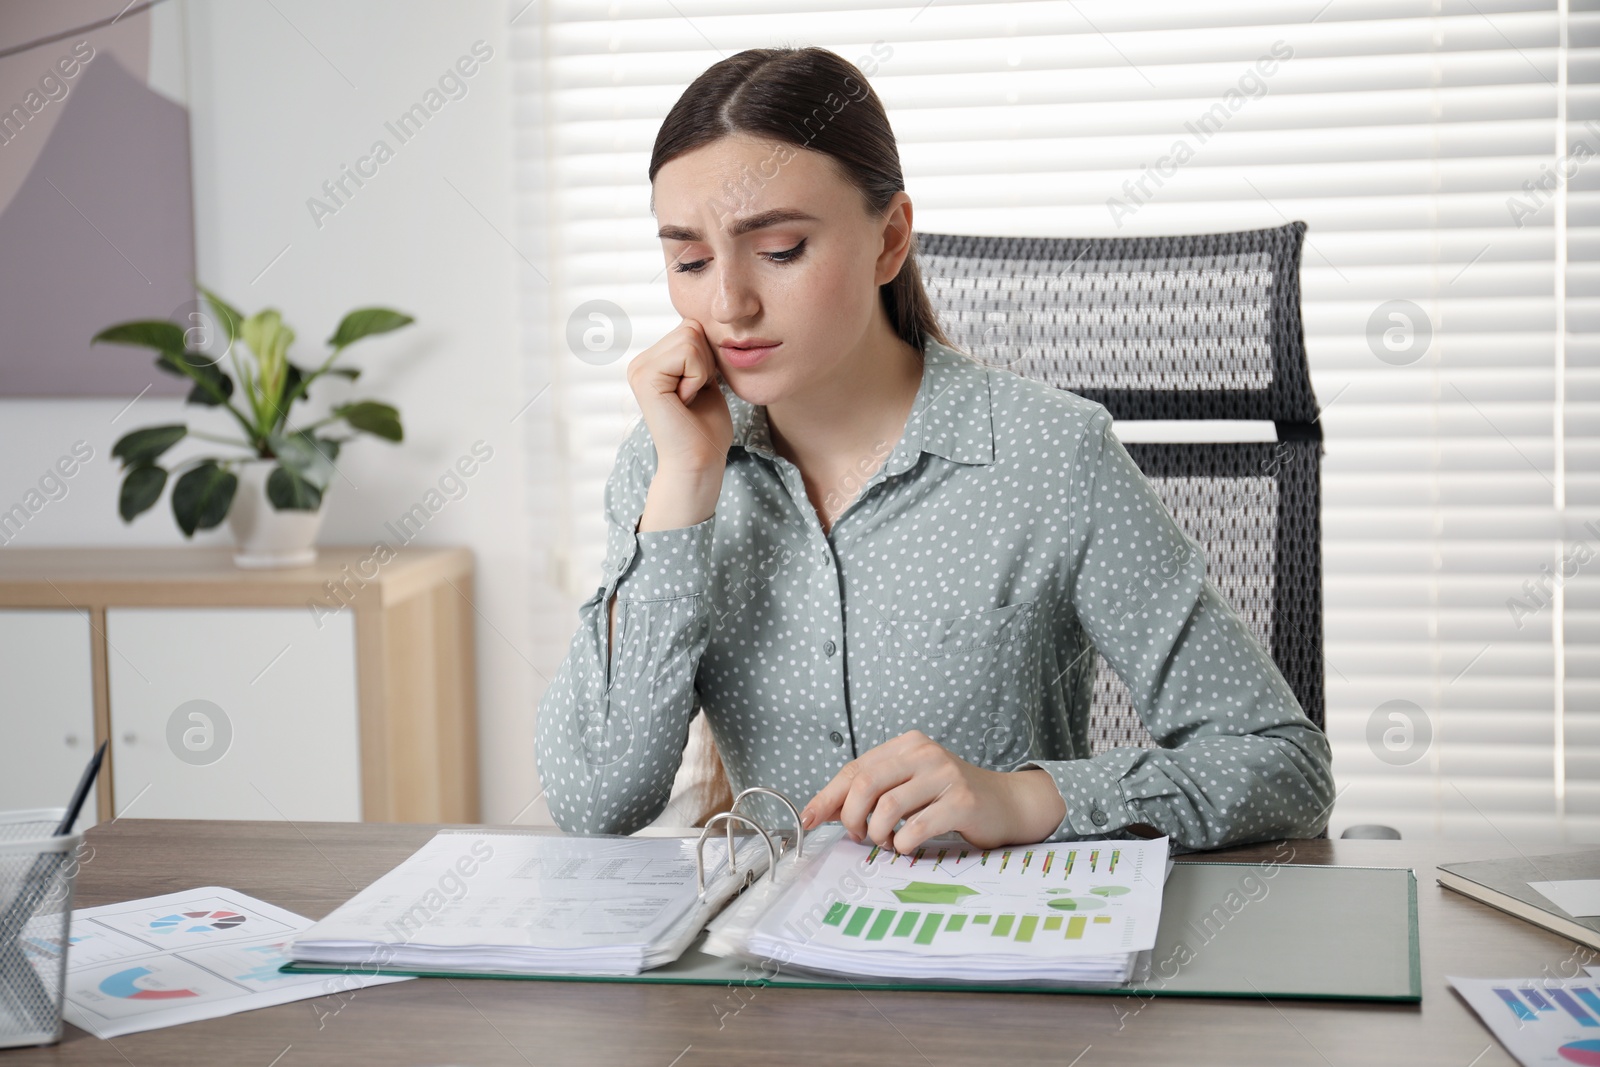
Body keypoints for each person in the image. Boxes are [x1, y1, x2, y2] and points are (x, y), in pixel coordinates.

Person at [534, 45, 1334, 855]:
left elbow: (1286, 766)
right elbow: (599, 800)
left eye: (778, 250)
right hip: (768, 969)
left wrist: (1029, 798)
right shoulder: (668, 461)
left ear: (889, 241)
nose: (728, 302)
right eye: (689, 260)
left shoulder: (1053, 454)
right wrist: (684, 490)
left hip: (999, 957)